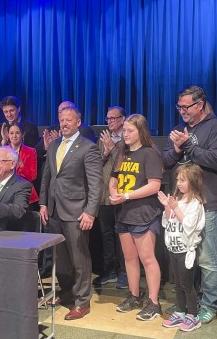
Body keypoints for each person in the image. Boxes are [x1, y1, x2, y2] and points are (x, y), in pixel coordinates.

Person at [161, 85, 217, 324]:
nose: (182, 111)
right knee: (184, 254)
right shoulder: (181, 130)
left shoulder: (216, 128)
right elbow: (166, 159)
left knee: (207, 258)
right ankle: (189, 301)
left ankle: (209, 304)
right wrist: (178, 148)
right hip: (183, 204)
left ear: (200, 105)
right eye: (179, 107)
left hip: (207, 202)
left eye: (186, 106)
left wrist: (189, 145)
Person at [39, 106, 103, 321]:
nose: (64, 123)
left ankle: (82, 301)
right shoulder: (55, 144)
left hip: (77, 212)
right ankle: (67, 294)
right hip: (54, 210)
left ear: (78, 122)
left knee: (79, 258)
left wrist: (90, 212)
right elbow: (47, 177)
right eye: (61, 120)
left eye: (69, 120)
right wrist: (43, 203)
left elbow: (96, 184)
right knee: (62, 259)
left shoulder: (88, 148)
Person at [109, 114, 163, 321]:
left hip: (143, 214)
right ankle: (134, 296)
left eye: (130, 130)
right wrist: (114, 192)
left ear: (141, 131)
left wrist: (128, 195)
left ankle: (154, 303)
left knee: (147, 258)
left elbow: (154, 185)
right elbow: (113, 179)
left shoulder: (149, 154)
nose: (126, 134)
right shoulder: (122, 153)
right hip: (123, 214)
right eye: (124, 131)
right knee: (129, 259)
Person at [159, 164, 206, 332]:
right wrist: (167, 206)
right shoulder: (177, 201)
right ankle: (180, 311)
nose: (178, 183)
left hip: (186, 251)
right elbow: (167, 222)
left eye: (183, 180)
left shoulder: (195, 203)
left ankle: (193, 314)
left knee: (187, 284)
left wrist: (175, 208)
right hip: (173, 248)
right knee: (177, 283)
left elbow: (188, 226)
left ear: (193, 182)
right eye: (177, 179)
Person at [93, 106, 128, 289]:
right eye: (108, 118)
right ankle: (110, 270)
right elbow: (95, 164)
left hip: (121, 194)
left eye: (114, 118)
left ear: (123, 119)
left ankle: (124, 272)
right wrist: (105, 152)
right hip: (104, 195)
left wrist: (113, 149)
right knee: (106, 234)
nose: (110, 122)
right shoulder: (103, 139)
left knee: (120, 234)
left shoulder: (128, 137)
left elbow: (123, 164)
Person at [7, 122, 39, 205]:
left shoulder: (31, 151)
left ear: (23, 134)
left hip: (26, 194)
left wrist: (20, 162)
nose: (14, 136)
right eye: (11, 133)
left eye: (17, 133)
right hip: (7, 194)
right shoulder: (3, 151)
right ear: (8, 135)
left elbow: (32, 176)